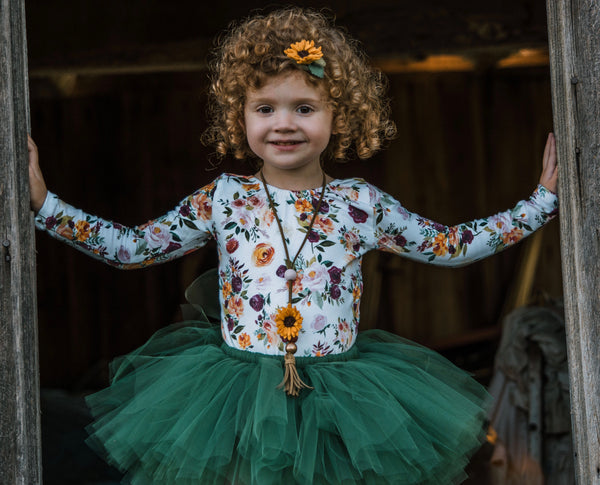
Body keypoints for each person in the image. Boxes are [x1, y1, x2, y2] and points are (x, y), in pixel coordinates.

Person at [28, 7, 558, 485]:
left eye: (305, 108)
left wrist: (541, 202)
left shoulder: (360, 205)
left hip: (339, 403)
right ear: (241, 116)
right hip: (238, 404)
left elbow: (449, 246)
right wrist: (46, 206)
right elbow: (134, 247)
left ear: (338, 117)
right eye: (265, 108)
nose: (283, 123)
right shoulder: (225, 198)